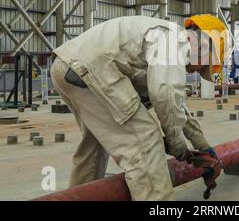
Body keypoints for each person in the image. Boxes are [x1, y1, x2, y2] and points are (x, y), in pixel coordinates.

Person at [50, 14, 228, 201]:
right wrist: (179, 148)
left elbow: (177, 105)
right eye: (204, 66)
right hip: (90, 69)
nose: (197, 71)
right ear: (205, 46)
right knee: (145, 142)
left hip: (68, 66)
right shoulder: (176, 40)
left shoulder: (166, 38)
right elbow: (165, 95)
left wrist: (203, 145)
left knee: (96, 144)